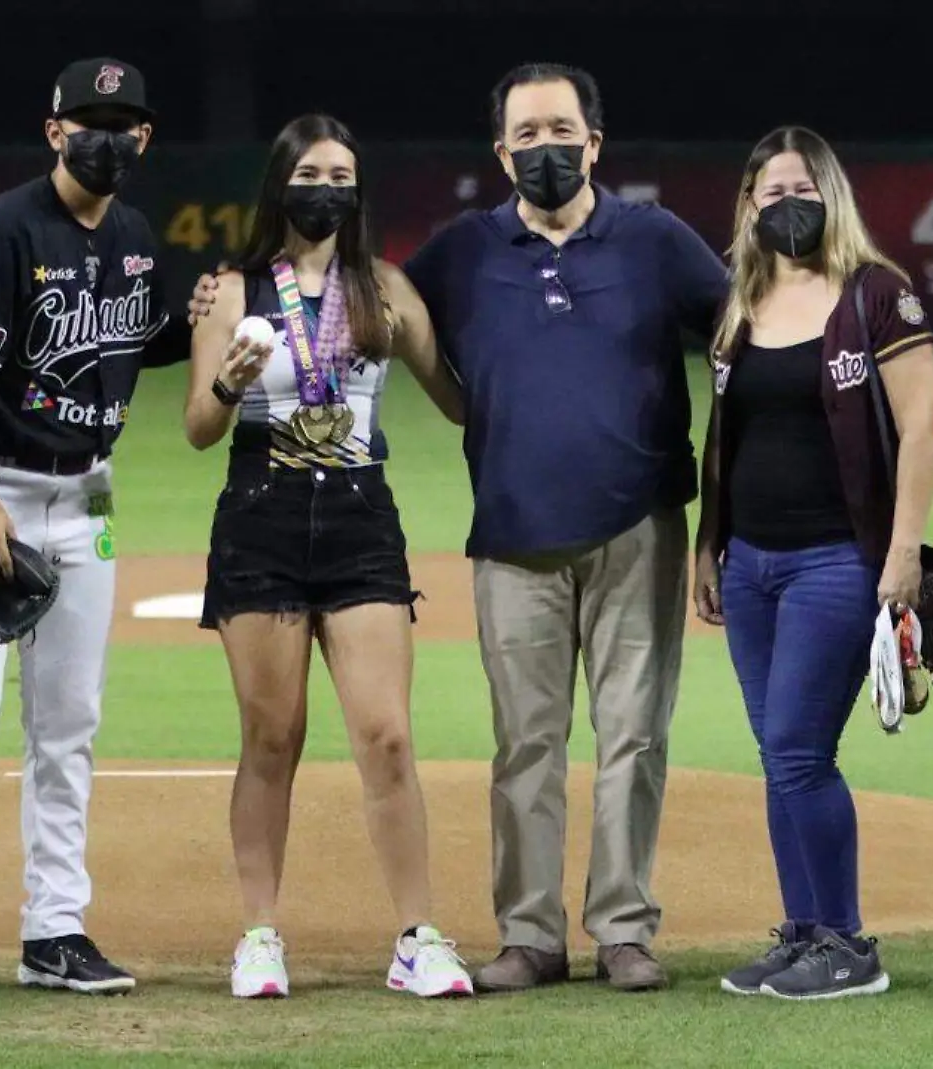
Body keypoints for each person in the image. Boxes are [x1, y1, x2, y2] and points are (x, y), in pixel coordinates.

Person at [196, 62, 728, 992]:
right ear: (500, 151)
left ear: (595, 142)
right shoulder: (458, 252)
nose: (546, 149)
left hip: (616, 523)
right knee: (514, 741)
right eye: (526, 135)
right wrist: (218, 340)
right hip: (456, 528)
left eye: (561, 130)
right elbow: (236, 393)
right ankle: (524, 935)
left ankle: (619, 931)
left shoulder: (646, 241)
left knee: (620, 734)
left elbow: (737, 334)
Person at [0, 57, 190, 1005]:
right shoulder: (3, 228)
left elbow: (138, 338)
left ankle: (54, 929)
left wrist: (217, 320)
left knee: (68, 725)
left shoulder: (137, 235)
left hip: (88, 498)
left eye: (125, 122)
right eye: (89, 120)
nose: (106, 137)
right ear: (54, 129)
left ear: (143, 138)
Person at [184, 113, 474, 1000]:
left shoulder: (385, 288)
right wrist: (231, 378)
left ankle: (418, 936)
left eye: (343, 174)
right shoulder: (230, 292)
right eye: (311, 172)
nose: (328, 188)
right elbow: (199, 426)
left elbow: (459, 401)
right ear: (281, 185)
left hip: (359, 519)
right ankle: (260, 934)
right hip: (261, 517)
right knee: (272, 736)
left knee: (386, 734)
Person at [692, 126, 933, 1001]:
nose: (787, 203)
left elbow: (922, 426)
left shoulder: (876, 294)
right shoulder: (742, 302)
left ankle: (847, 943)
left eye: (802, 187)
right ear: (748, 206)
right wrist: (708, 545)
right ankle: (803, 934)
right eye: (770, 191)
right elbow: (728, 439)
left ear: (830, 194)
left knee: (800, 750)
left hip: (837, 561)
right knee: (778, 754)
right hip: (752, 560)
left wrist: (903, 551)